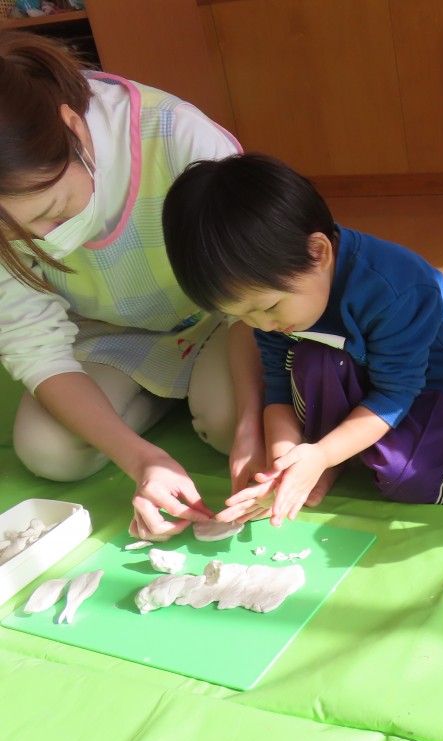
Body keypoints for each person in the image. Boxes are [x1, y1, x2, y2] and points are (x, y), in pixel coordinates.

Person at [0, 30, 267, 541]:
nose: (46, 241)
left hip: (221, 319)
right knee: (49, 451)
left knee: (232, 422)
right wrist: (141, 459)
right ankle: (161, 406)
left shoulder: (174, 136)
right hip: (108, 333)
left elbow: (253, 291)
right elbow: (35, 348)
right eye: (17, 237)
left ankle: (194, 399)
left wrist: (251, 425)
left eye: (53, 210)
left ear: (74, 129)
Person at [162, 153, 443, 526]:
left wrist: (322, 455)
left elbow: (396, 393)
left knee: (411, 481)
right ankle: (332, 455)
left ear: (318, 253)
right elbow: (278, 387)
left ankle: (335, 454)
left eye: (268, 308)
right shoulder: (275, 303)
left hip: (427, 385)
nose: (261, 325)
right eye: (243, 315)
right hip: (354, 371)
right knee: (313, 361)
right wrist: (282, 464)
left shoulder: (395, 288)